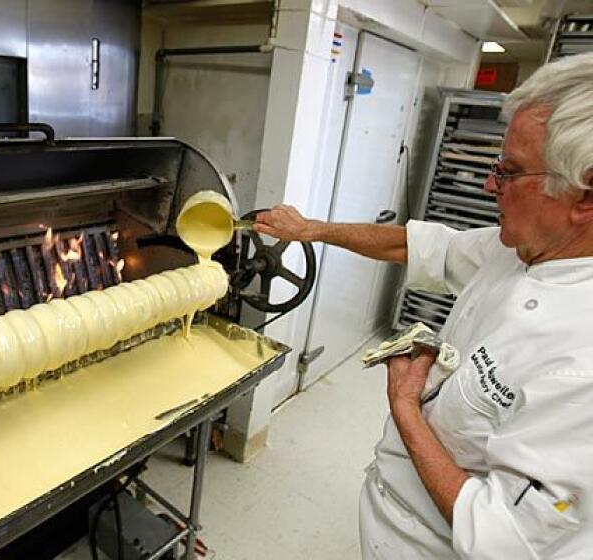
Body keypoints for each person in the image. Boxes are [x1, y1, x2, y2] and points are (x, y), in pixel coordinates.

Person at [254, 53, 593, 559]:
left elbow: (508, 541)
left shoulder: (580, 358)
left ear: (585, 196)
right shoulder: (520, 247)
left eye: (510, 172)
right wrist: (312, 231)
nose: (488, 185)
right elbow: (416, 245)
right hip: (389, 514)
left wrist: (406, 408)